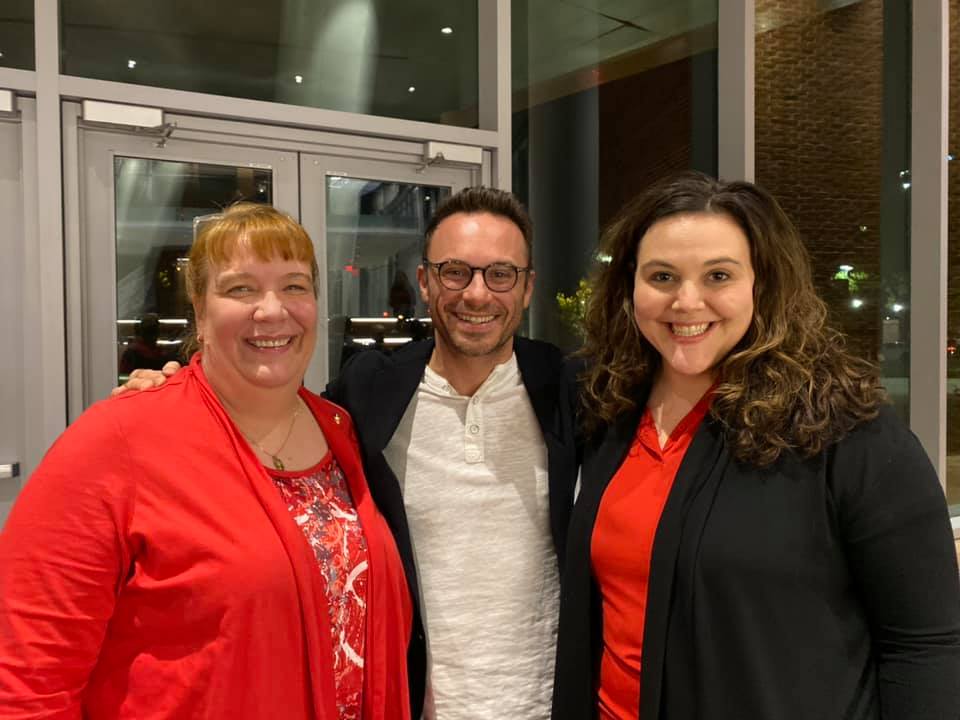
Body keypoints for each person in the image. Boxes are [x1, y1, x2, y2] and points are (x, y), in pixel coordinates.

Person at [113, 187, 579, 720]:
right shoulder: (367, 391)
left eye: (501, 274)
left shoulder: (570, 389)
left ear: (526, 288)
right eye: (455, 272)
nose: (477, 294)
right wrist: (179, 387)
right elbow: (262, 412)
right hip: (408, 702)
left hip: (544, 701)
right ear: (425, 282)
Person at [552, 171, 960, 720]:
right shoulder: (609, 411)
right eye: (662, 276)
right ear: (631, 286)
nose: (686, 301)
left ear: (761, 284)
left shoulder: (846, 431)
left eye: (718, 275)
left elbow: (926, 645)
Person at [0, 203, 412, 719]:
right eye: (241, 288)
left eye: (294, 286)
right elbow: (27, 682)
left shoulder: (338, 430)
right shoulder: (117, 441)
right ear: (200, 308)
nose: (272, 310)